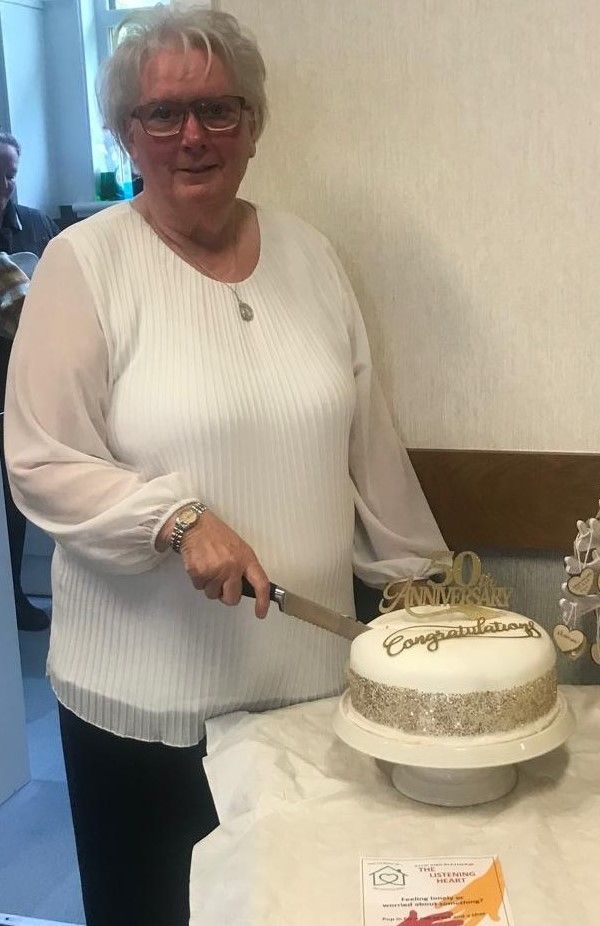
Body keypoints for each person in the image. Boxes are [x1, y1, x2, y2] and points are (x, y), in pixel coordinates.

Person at [4, 9, 445, 926]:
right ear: (126, 133)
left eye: (217, 109)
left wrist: (423, 590)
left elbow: (369, 444)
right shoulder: (81, 265)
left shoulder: (313, 256)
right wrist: (175, 518)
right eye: (161, 115)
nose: (191, 135)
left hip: (312, 700)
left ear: (252, 127)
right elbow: (40, 460)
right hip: (145, 720)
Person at [0, 130, 57, 631]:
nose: (5, 183)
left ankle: (16, 596)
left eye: (11, 173)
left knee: (17, 499)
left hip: (31, 381)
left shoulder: (34, 224)